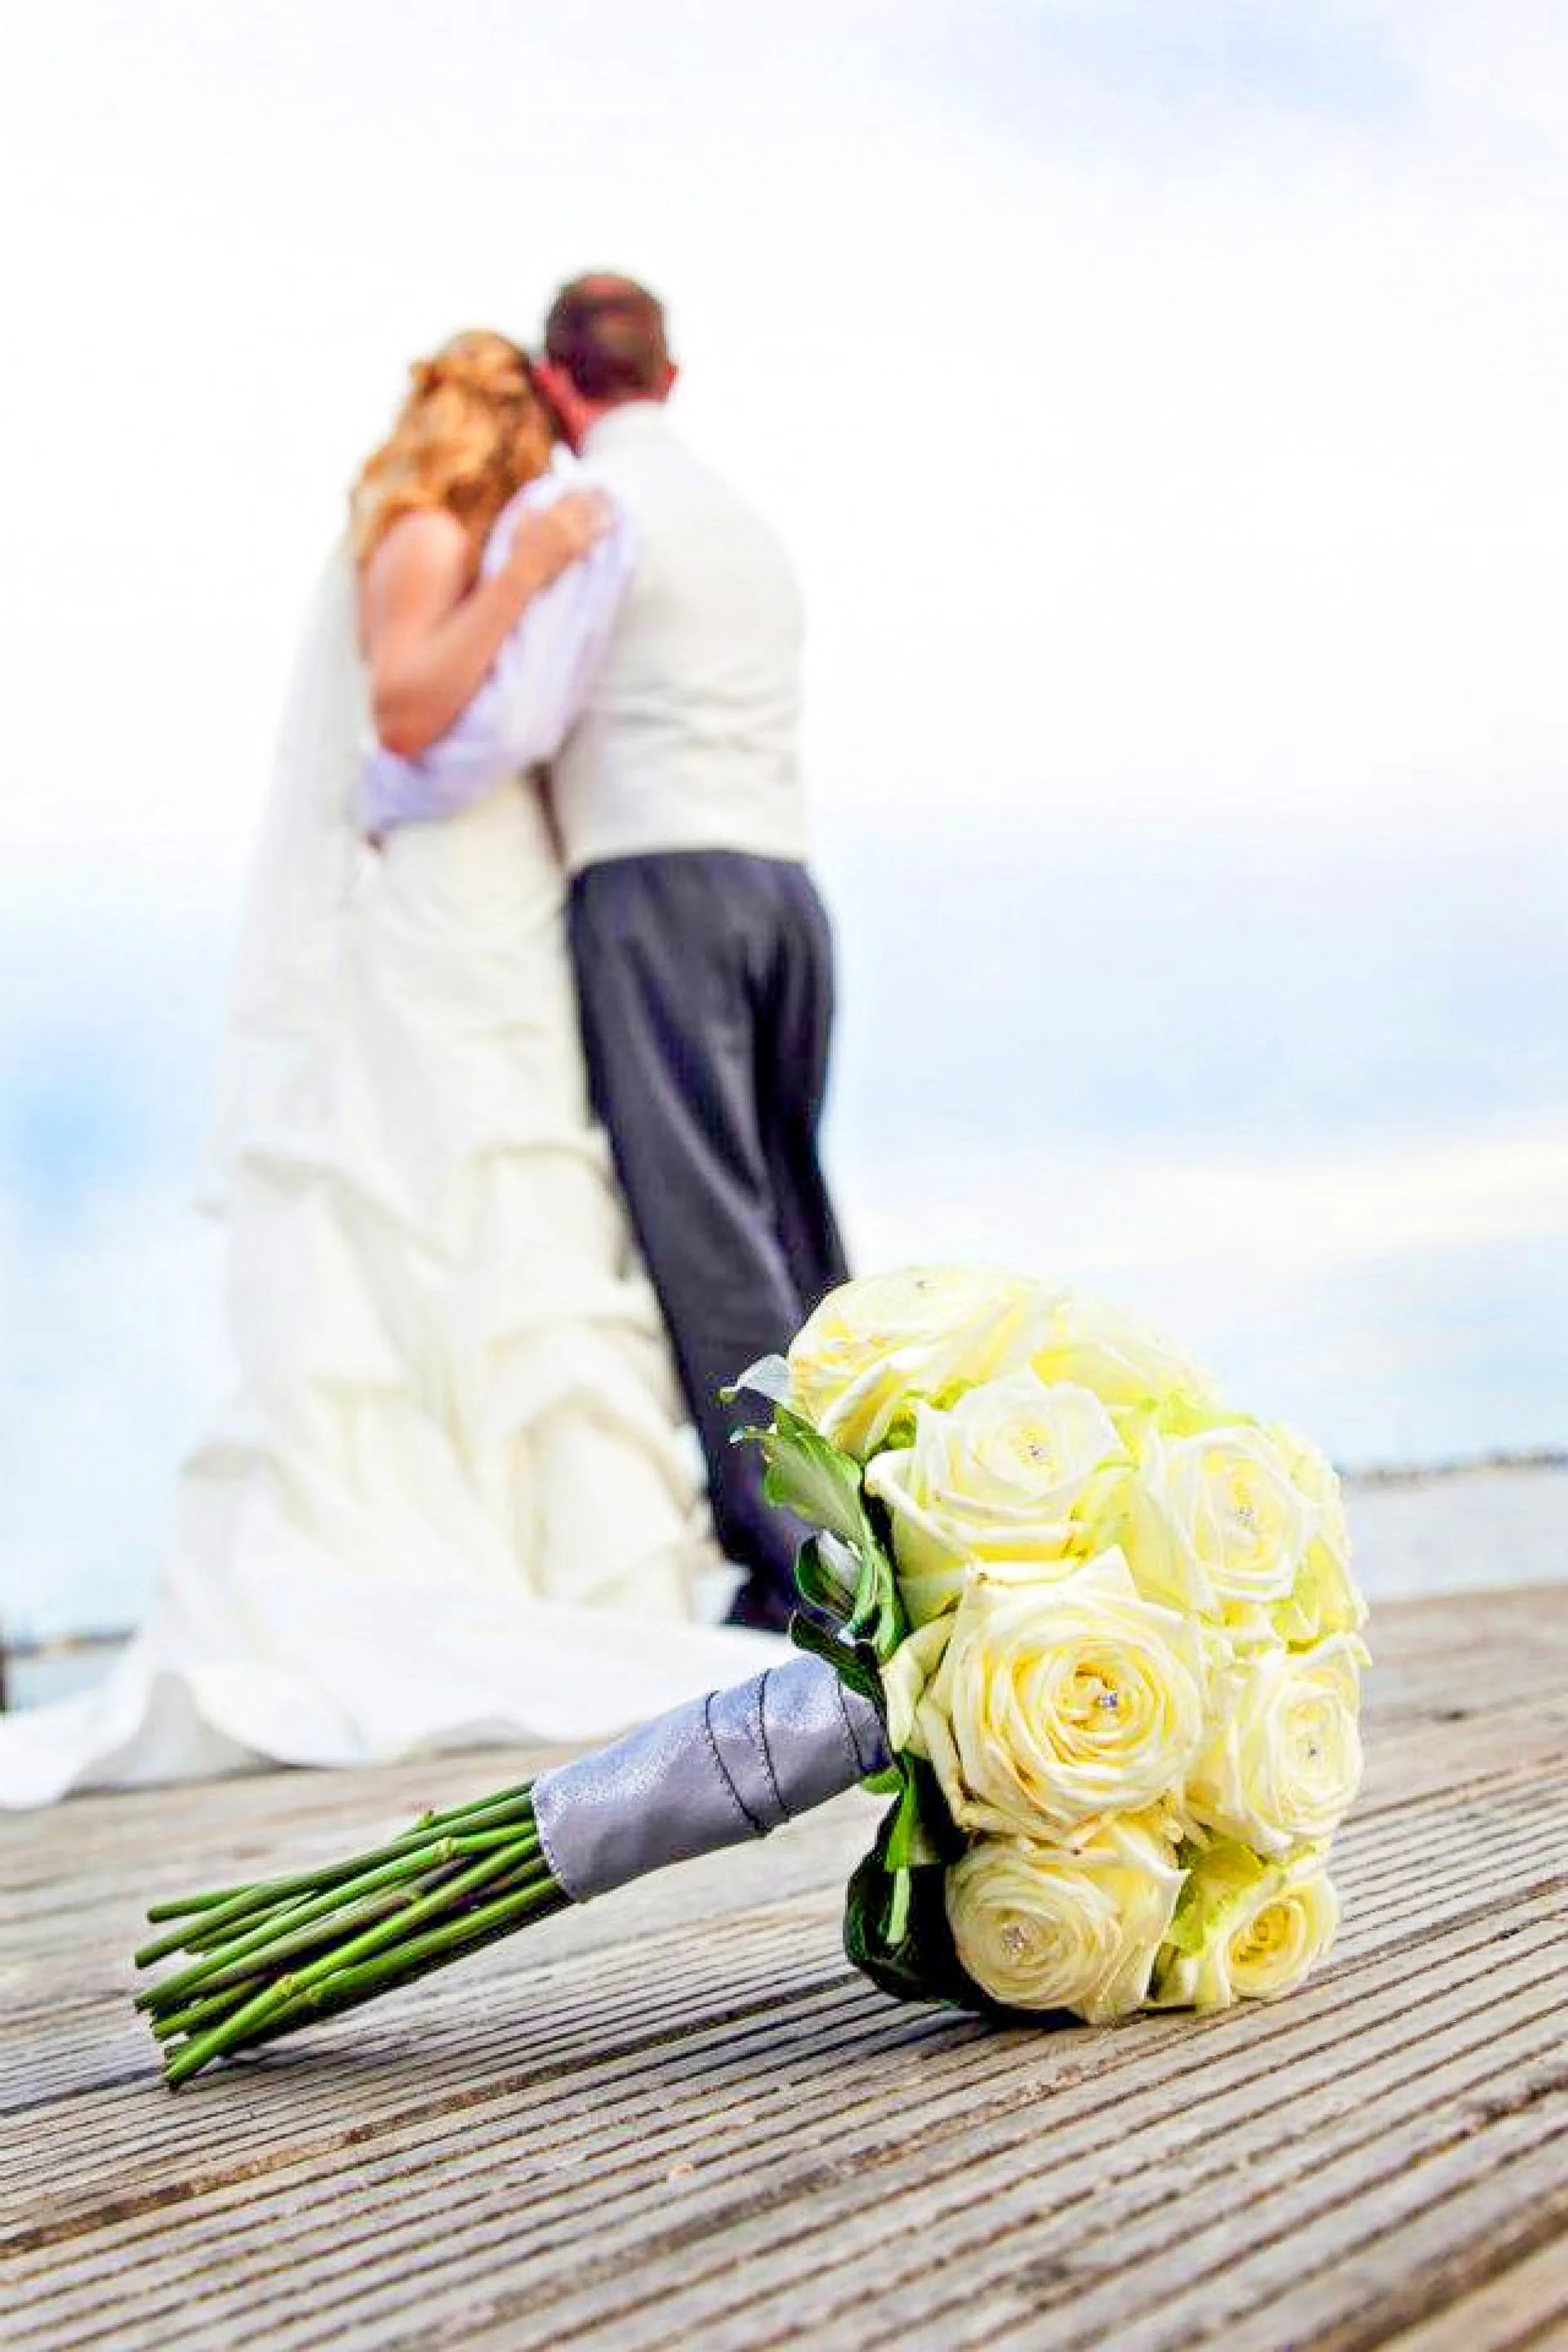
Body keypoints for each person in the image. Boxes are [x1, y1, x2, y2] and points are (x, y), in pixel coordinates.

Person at [0, 331, 780, 1810]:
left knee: (529, 1212)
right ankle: (445, 1563)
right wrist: (528, 569)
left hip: (507, 900)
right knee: (440, 1192)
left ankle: (550, 1556)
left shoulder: (481, 537)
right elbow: (412, 709)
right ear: (490, 422)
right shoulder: (421, 532)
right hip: (437, 916)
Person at [373, 279, 849, 1631]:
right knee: (790, 1217)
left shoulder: (578, 517)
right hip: (785, 883)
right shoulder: (749, 525)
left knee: (700, 1228)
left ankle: (795, 1564)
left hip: (656, 882)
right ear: (672, 377)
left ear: (559, 382)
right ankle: (872, 1517)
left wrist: (388, 804)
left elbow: (515, 716)